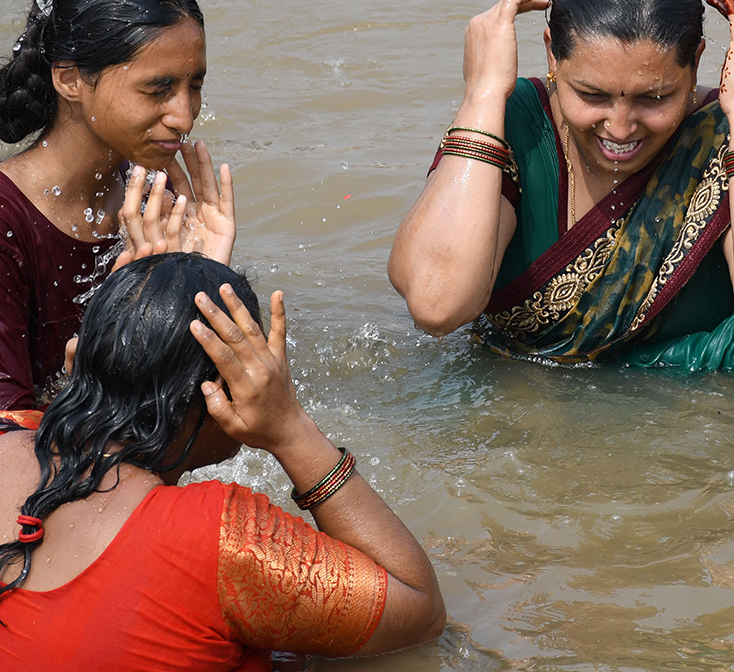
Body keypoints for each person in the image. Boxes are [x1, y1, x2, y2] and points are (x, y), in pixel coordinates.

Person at [388, 0, 734, 386]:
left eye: (655, 97)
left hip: (698, 418)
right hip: (526, 410)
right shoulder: (511, 122)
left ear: (698, 64)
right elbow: (437, 305)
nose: (620, 128)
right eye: (591, 95)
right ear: (550, 57)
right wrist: (481, 92)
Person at [0, 253, 445, 667]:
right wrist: (291, 429)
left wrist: (151, 299)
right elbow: (420, 611)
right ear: (217, 390)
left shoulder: (8, 430)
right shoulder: (218, 539)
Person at [0, 0, 234, 410]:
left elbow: (210, 416)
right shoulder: (8, 224)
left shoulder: (162, 200)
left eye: (194, 85)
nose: (184, 116)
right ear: (70, 79)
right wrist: (125, 315)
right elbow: (12, 444)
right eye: (158, 89)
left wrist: (203, 278)